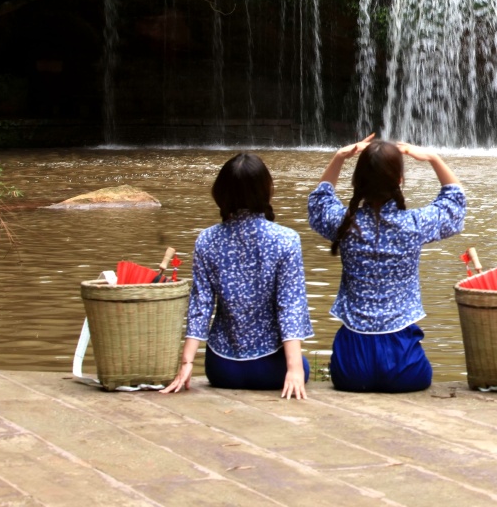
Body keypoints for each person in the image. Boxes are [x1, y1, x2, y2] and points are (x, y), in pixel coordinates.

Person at [308, 134, 466, 392]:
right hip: (404, 365)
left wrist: (339, 157)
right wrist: (433, 158)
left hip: (350, 367)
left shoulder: (345, 224)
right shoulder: (414, 224)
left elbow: (318, 202)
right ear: (399, 181)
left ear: (357, 181)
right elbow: (455, 203)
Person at [163, 153, 313, 399]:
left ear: (221, 193)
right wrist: (295, 369)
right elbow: (290, 307)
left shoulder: (207, 240)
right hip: (272, 370)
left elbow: (201, 305)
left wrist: (186, 363)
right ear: (267, 190)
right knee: (305, 366)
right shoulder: (287, 240)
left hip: (222, 369)